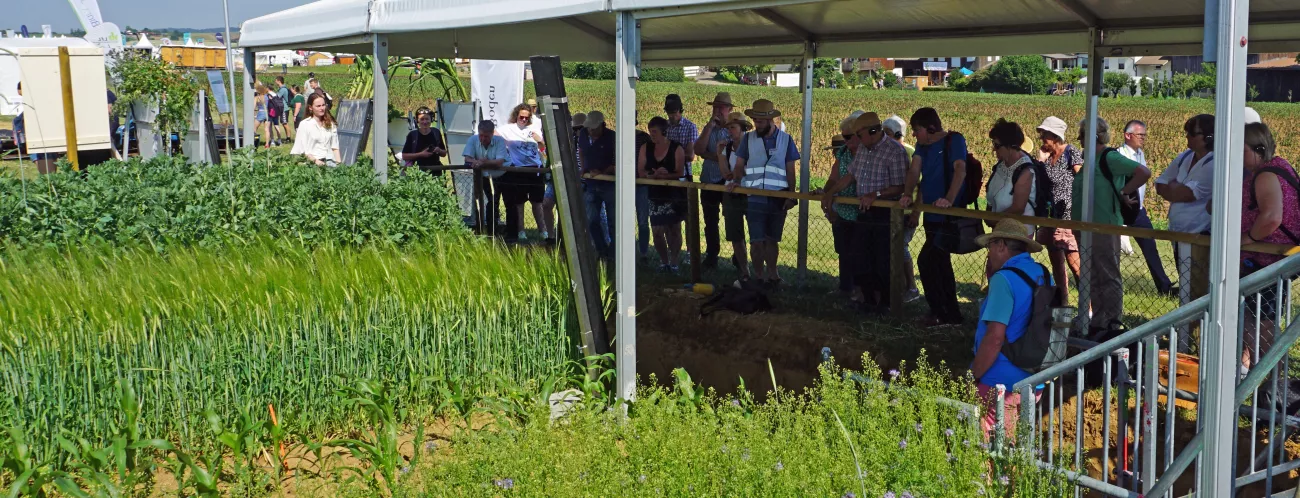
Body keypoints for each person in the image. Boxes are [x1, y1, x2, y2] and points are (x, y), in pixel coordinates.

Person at [970, 218, 1050, 439]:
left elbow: (995, 338)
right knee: (1016, 443)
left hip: (1000, 379)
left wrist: (974, 375)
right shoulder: (1042, 272)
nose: (988, 254)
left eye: (990, 247)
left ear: (1001, 245)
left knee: (991, 447)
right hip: (1034, 377)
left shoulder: (1004, 280)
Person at [822, 112, 909, 311]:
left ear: (872, 131)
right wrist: (831, 192)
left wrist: (875, 194)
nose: (857, 141)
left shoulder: (894, 151)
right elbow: (851, 175)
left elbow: (901, 186)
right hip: (864, 212)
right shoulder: (863, 150)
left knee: (882, 261)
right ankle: (868, 300)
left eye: (859, 135)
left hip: (886, 215)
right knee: (859, 258)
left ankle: (886, 303)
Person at [1072, 117, 1151, 334]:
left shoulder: (1110, 157)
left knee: (1108, 275)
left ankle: (1113, 322)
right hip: (1084, 227)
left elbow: (1143, 172)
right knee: (1092, 275)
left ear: (1092, 136)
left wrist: (1125, 192)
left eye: (1082, 135)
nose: (1079, 140)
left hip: (1104, 226)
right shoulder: (1089, 159)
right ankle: (1098, 321)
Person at [899, 107, 968, 327]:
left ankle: (940, 311)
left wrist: (948, 199)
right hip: (931, 214)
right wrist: (908, 194)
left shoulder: (954, 141)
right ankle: (949, 313)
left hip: (948, 216)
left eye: (917, 130)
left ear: (930, 128)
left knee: (927, 260)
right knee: (940, 264)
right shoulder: (922, 146)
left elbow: (960, 170)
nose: (914, 135)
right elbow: (914, 170)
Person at [1238, 122, 1298, 371]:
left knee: (1261, 327)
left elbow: (1272, 217)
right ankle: (1261, 379)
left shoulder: (1265, 175)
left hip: (1265, 261)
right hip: (1273, 261)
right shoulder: (1279, 166)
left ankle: (1277, 383)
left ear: (1258, 149)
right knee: (1253, 321)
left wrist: (1249, 237)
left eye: (1241, 150)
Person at [730, 99, 799, 288]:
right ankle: (759, 277)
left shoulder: (786, 140)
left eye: (759, 121)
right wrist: (736, 181)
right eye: (754, 120)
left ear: (770, 120)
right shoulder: (748, 139)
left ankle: (773, 276)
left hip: (778, 198)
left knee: (772, 240)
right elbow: (739, 164)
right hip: (755, 198)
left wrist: (790, 195)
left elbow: (790, 169)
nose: (756, 124)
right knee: (756, 241)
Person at [1155, 114, 1215, 302]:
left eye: (1192, 133)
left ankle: (1193, 329)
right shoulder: (1185, 156)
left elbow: (1185, 194)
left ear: (1208, 137)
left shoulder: (1215, 164)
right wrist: (1175, 188)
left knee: (1197, 290)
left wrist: (1174, 188)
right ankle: (1185, 329)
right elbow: (1160, 184)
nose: (1187, 137)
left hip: (1199, 236)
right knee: (1185, 286)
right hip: (1178, 234)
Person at [1118, 120, 1174, 295]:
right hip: (1119, 210)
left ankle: (1164, 287)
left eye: (1144, 135)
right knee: (1112, 250)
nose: (1143, 138)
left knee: (1150, 246)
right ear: (1128, 135)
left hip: (1138, 211)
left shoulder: (1140, 154)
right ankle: (1112, 286)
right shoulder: (1119, 156)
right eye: (1140, 135)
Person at [1035, 116, 1084, 306]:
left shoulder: (1071, 152)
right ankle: (1063, 303)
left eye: (1045, 135)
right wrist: (1040, 161)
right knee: (1056, 261)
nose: (1042, 140)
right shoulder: (1045, 157)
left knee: (1074, 262)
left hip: (1068, 217)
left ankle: (1088, 305)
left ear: (1055, 136)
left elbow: (1081, 180)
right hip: (1050, 216)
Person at [818, 111, 864, 298]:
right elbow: (834, 177)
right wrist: (826, 191)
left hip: (861, 213)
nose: (845, 141)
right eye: (843, 136)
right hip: (843, 212)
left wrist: (829, 194)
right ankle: (845, 288)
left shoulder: (866, 152)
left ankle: (861, 292)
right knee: (844, 252)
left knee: (860, 254)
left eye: (848, 137)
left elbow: (849, 178)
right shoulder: (844, 152)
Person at [692, 92, 735, 269]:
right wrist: (709, 127)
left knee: (732, 219)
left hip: (728, 182)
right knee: (710, 221)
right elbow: (698, 150)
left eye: (721, 107)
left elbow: (734, 155)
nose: (717, 110)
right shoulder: (709, 128)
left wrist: (712, 156)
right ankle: (711, 255)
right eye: (714, 107)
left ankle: (738, 257)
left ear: (730, 110)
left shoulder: (735, 129)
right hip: (709, 180)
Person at [640, 116, 687, 272]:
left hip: (673, 194)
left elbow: (680, 172)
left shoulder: (676, 147)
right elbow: (641, 171)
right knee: (657, 231)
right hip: (655, 195)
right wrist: (651, 176)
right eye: (650, 131)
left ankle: (674, 262)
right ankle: (663, 261)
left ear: (663, 132)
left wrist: (665, 174)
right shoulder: (645, 148)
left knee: (674, 229)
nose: (651, 135)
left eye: (654, 132)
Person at [884, 114, 921, 302]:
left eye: (885, 133)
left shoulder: (910, 153)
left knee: (901, 248)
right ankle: (895, 285)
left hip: (906, 211)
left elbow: (921, 186)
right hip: (891, 209)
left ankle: (912, 287)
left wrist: (916, 212)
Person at [499, 103, 549, 243]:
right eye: (521, 117)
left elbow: (543, 147)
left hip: (536, 169)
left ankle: (543, 230)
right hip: (519, 170)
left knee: (537, 202)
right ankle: (521, 231)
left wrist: (540, 140)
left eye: (526, 118)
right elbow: (494, 135)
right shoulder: (508, 129)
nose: (523, 120)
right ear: (516, 116)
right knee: (519, 202)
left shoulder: (534, 128)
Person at [717, 111, 753, 285]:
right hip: (732, 193)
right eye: (728, 128)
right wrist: (719, 154)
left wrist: (738, 175)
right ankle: (744, 270)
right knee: (735, 234)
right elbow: (725, 173)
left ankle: (760, 272)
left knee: (756, 234)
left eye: (733, 127)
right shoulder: (726, 147)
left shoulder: (754, 146)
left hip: (751, 193)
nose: (730, 131)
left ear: (742, 128)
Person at [577, 111, 617, 258]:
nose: (591, 131)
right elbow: (581, 150)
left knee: (614, 220)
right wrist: (583, 168)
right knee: (591, 219)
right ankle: (601, 249)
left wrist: (602, 171)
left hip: (609, 184)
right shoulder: (583, 134)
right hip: (591, 184)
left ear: (602, 125)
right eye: (589, 128)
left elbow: (616, 161)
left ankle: (614, 252)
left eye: (593, 128)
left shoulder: (612, 137)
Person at [985, 119, 1037, 224]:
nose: (994, 149)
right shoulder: (1001, 164)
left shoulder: (1025, 172)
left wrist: (993, 220)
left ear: (1010, 146)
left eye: (997, 145)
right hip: (1000, 227)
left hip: (1018, 232)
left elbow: (1018, 209)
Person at [464, 120, 509, 237]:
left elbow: (499, 162)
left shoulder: (499, 141)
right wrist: (478, 162)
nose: (483, 139)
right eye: (481, 135)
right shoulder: (472, 140)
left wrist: (483, 163)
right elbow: (467, 159)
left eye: (486, 136)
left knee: (509, 203)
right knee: (491, 202)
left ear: (492, 134)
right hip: (484, 177)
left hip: (504, 175)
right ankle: (489, 232)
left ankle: (511, 233)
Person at [290, 93, 340, 166]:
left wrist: (339, 164)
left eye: (323, 105)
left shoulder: (330, 124)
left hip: (330, 162)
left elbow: (335, 147)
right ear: (310, 107)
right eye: (318, 106)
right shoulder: (305, 124)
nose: (322, 108)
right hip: (312, 163)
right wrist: (316, 161)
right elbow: (301, 150)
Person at [401, 107, 448, 176]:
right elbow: (404, 156)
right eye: (422, 119)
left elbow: (444, 153)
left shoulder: (436, 132)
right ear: (417, 120)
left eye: (427, 119)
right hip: (417, 172)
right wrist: (421, 154)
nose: (425, 122)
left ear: (431, 119)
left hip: (435, 172)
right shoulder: (412, 135)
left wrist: (439, 150)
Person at [664, 94, 698, 177]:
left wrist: (666, 158)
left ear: (680, 110)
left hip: (684, 174)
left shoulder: (690, 127)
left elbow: (690, 156)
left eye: (674, 112)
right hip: (665, 174)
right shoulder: (664, 127)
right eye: (669, 113)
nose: (671, 116)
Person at [275, 76, 293, 141]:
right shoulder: (281, 88)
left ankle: (288, 138)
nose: (275, 82)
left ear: (279, 81)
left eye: (276, 80)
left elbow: (277, 97)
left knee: (285, 123)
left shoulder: (283, 89)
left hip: (284, 108)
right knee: (283, 123)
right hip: (282, 108)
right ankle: (287, 137)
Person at [254, 82, 270, 147]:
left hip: (261, 112)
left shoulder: (257, 97)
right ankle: (267, 144)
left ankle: (254, 142)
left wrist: (254, 115)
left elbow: (253, 107)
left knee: (254, 128)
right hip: (267, 113)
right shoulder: (267, 97)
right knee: (267, 129)